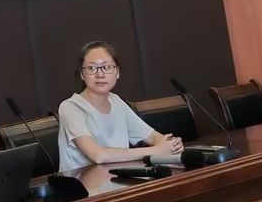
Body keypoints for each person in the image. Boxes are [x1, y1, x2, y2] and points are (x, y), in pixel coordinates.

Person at [57, 42, 183, 170]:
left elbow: (153, 136)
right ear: (82, 74)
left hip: (118, 177)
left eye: (106, 67)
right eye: (91, 68)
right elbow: (98, 156)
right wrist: (156, 150)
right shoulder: (70, 107)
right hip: (82, 181)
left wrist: (172, 145)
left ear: (117, 72)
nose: (100, 74)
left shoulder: (116, 101)